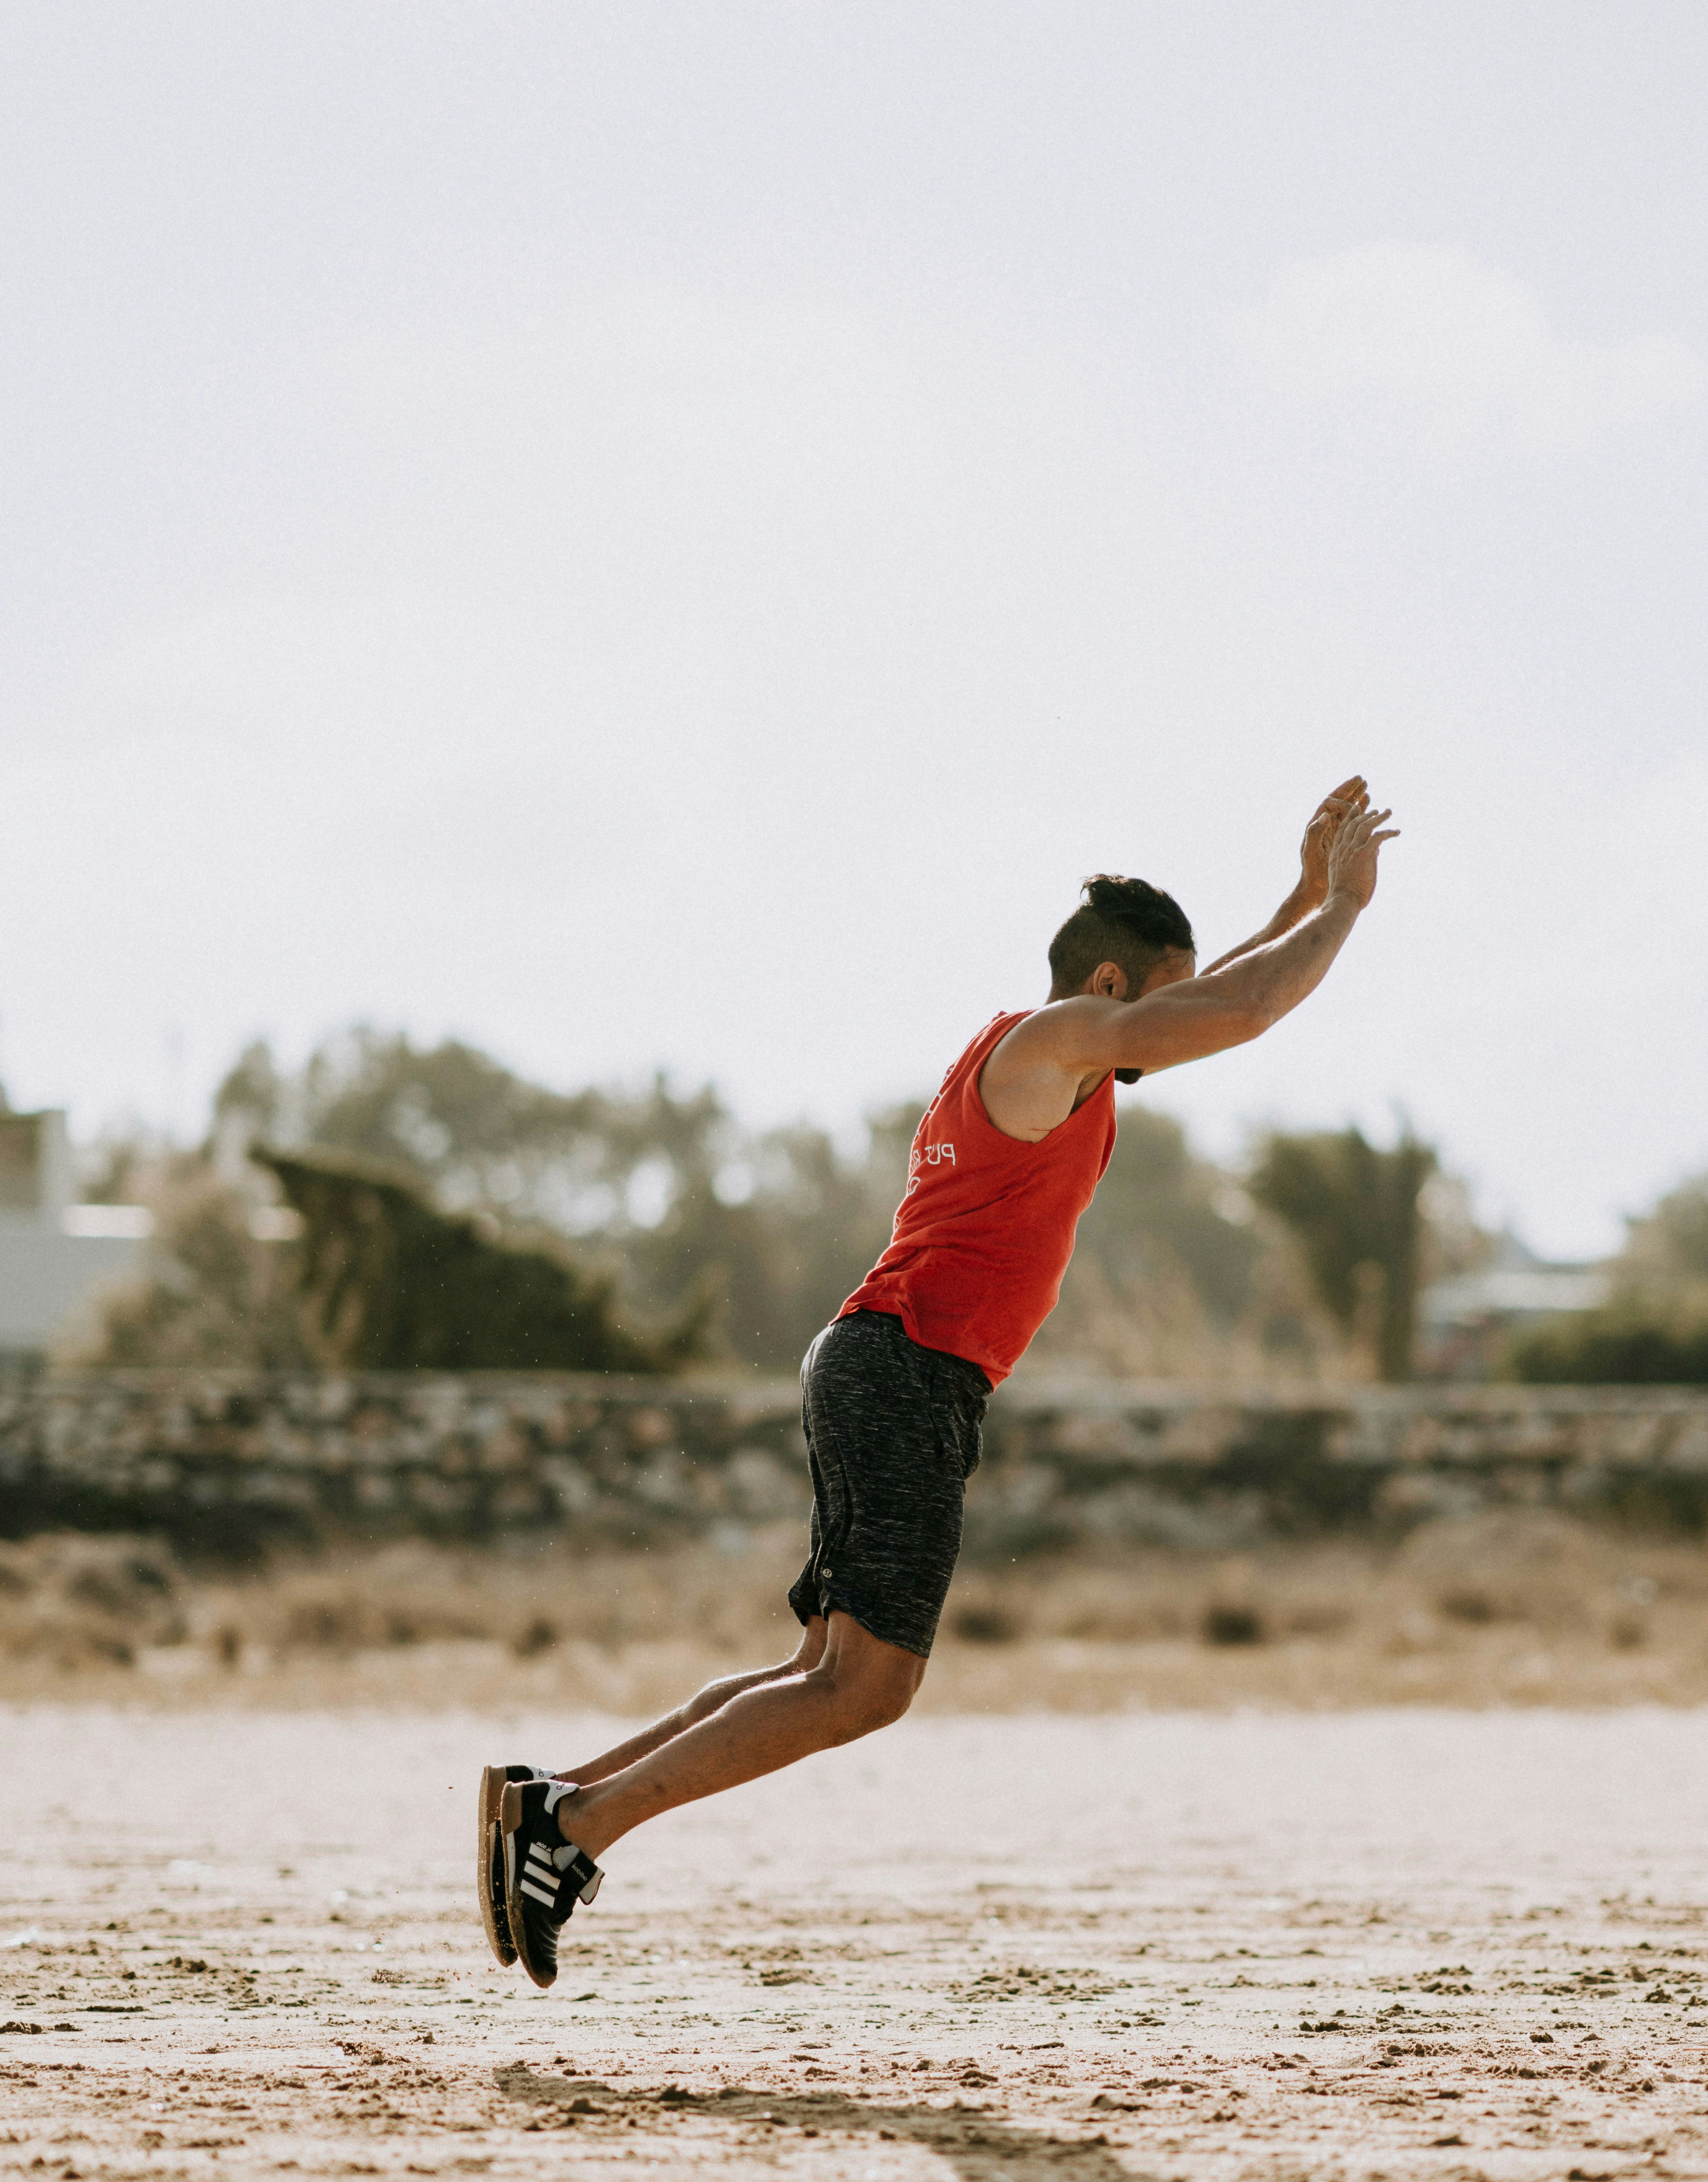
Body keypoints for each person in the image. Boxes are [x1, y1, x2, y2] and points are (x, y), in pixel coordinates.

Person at [482, 774, 1399, 1984]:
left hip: (885, 1362)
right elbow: (1245, 1014)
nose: (1167, 1038)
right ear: (1112, 988)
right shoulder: (1047, 1040)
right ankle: (572, 1833)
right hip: (903, 1368)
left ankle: (555, 1803)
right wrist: (1347, 908)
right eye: (1156, 1005)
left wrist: (1295, 891)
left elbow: (1217, 998)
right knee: (868, 1690)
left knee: (823, 1672)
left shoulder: (1058, 1057)